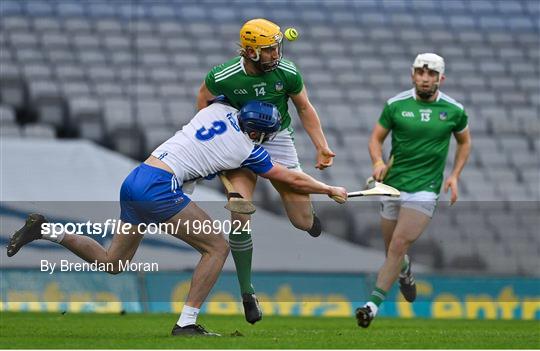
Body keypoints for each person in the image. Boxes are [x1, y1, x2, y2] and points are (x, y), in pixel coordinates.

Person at [7, 99, 346, 336]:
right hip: (158, 188)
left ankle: (46, 230)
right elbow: (289, 178)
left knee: (113, 262)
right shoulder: (244, 149)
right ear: (257, 133)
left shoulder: (216, 109)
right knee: (216, 247)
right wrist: (328, 189)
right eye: (266, 134)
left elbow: (216, 93)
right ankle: (186, 322)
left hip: (136, 178)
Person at [197, 18, 335, 324]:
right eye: (269, 50)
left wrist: (321, 145)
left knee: (301, 221)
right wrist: (211, 143)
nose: (276, 54)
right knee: (240, 209)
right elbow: (203, 101)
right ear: (250, 52)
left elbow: (304, 108)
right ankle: (247, 292)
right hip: (239, 140)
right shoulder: (223, 76)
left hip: (278, 139)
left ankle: (310, 220)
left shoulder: (287, 72)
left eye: (276, 48)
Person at [356, 53, 472, 328]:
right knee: (393, 253)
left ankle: (371, 306)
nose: (425, 78)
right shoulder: (396, 105)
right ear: (413, 75)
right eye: (420, 72)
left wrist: (454, 176)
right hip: (393, 185)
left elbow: (464, 143)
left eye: (431, 74)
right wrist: (377, 161)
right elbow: (375, 138)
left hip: (425, 187)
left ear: (441, 78)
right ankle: (405, 271)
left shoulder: (454, 110)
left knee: (398, 244)